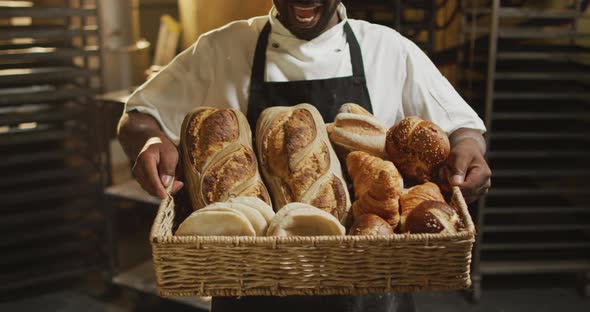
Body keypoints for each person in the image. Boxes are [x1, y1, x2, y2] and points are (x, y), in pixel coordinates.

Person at [118, 1, 492, 311]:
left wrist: (470, 148)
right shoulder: (222, 48)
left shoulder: (387, 48)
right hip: (253, 284)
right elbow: (137, 117)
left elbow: (463, 128)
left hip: (368, 285)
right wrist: (149, 142)